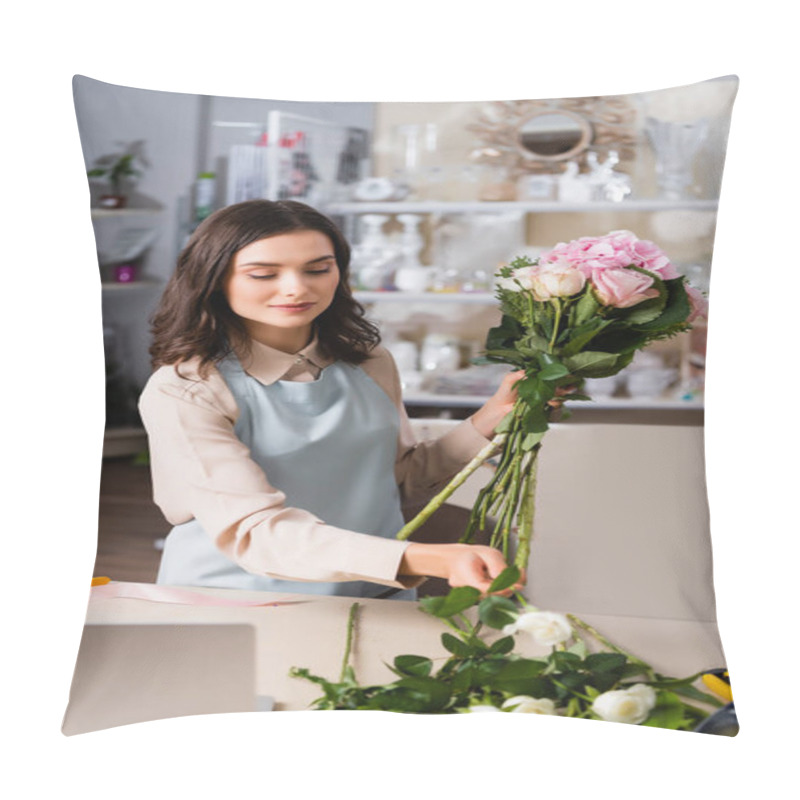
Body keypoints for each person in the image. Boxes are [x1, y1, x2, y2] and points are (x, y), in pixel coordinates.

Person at [139, 199, 525, 600]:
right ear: (215, 280)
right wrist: (425, 559)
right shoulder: (187, 389)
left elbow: (393, 482)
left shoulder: (369, 362)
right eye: (263, 274)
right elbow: (256, 533)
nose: (297, 288)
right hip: (240, 601)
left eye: (318, 269)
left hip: (375, 593)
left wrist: (490, 419)